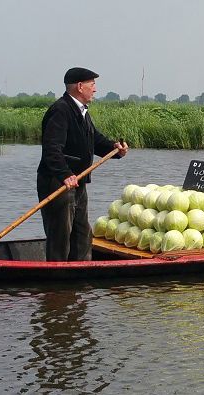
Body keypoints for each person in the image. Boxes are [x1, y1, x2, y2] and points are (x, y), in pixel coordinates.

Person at [37, 67, 128, 261]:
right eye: (92, 85)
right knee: (60, 235)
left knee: (82, 233)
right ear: (80, 86)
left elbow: (94, 140)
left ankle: (79, 277)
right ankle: (57, 282)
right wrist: (64, 174)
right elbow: (52, 148)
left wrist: (115, 148)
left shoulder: (81, 111)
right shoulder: (61, 110)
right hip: (59, 182)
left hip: (78, 182)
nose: (95, 90)